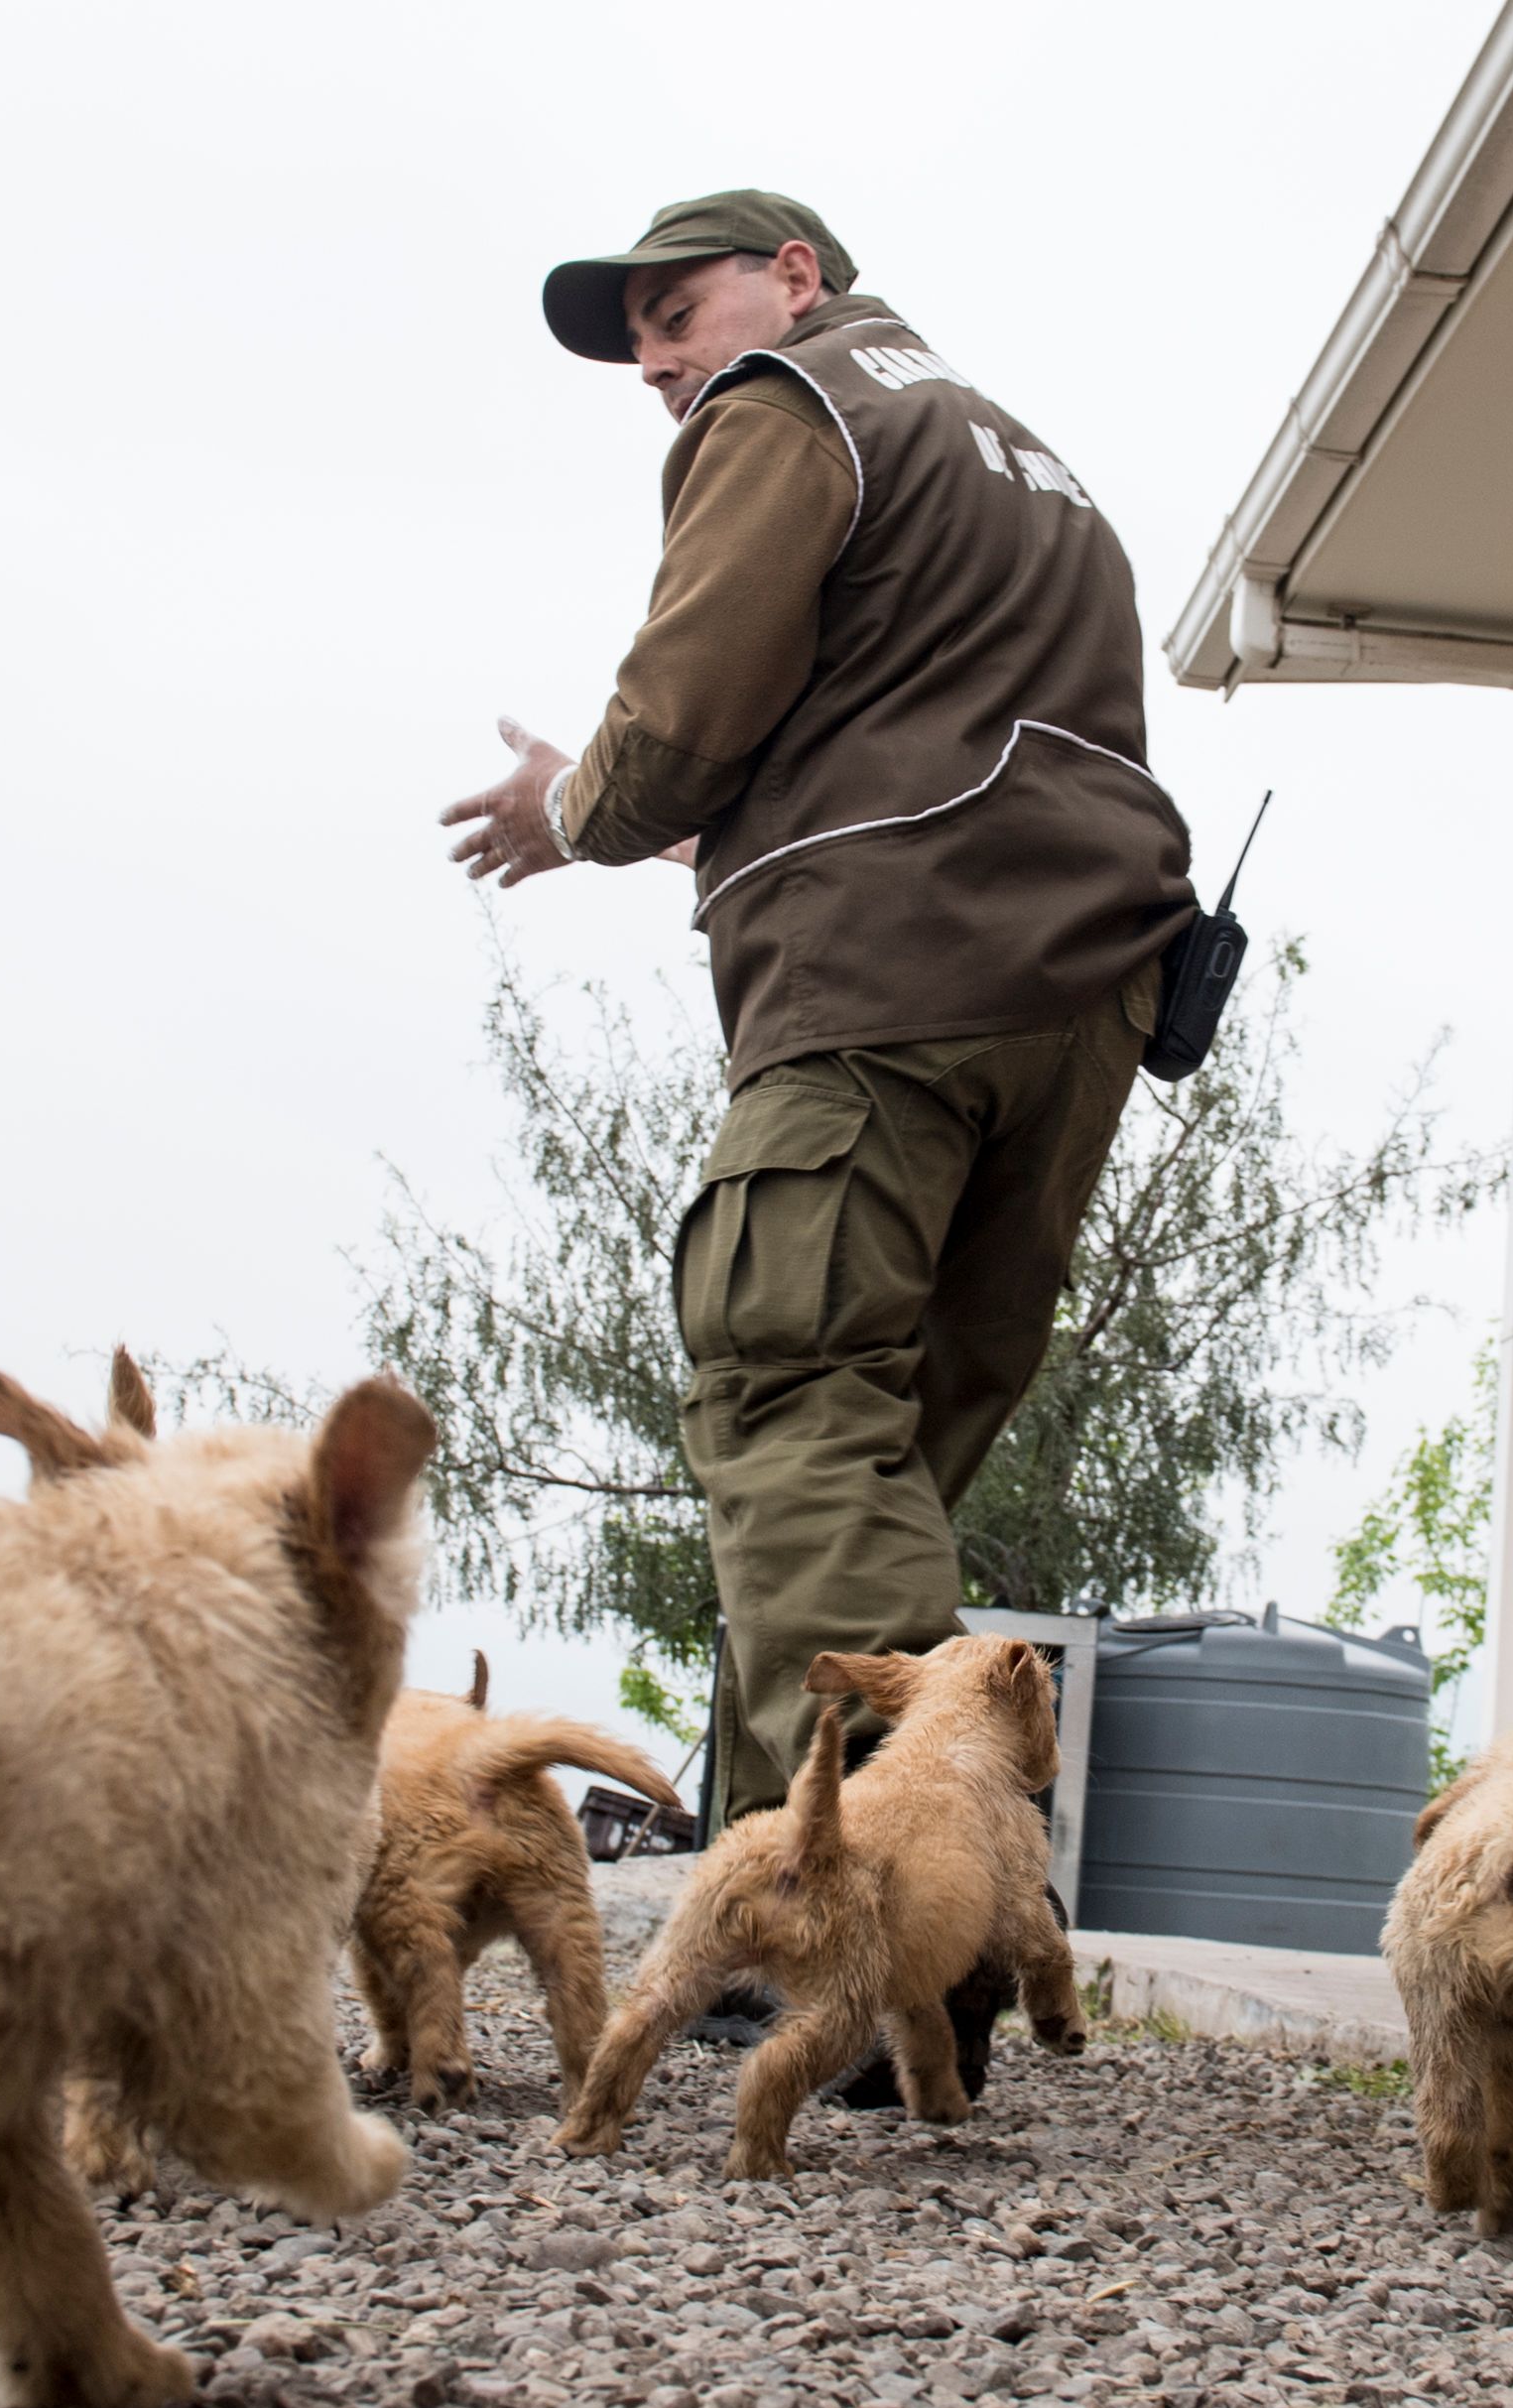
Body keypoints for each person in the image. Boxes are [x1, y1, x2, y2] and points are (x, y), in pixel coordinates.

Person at [441, 190, 1199, 1829]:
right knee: (877, 1457)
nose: (658, 363)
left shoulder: (789, 404)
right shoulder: (1034, 468)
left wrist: (575, 808)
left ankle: (896, 1891)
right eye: (636, 343)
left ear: (796, 276)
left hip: (884, 992)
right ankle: (781, 1851)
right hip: (1084, 1000)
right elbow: (926, 716)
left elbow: (688, 700)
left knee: (784, 1394)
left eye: (675, 313)